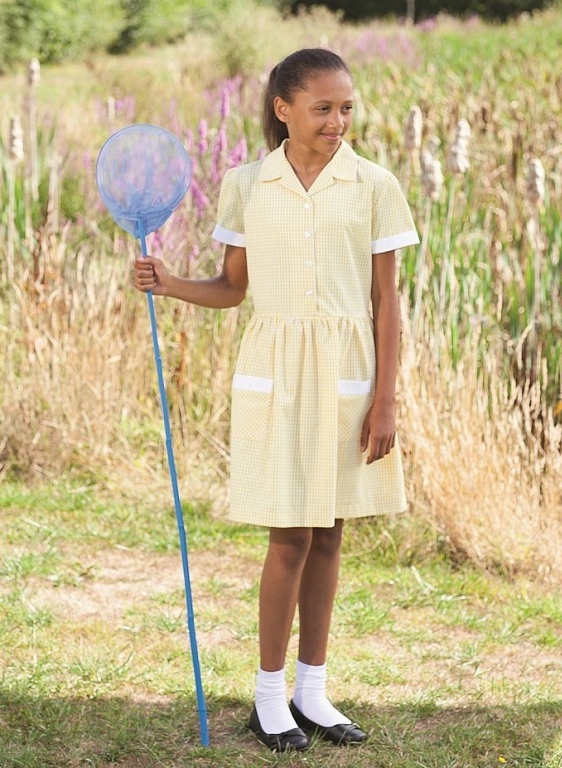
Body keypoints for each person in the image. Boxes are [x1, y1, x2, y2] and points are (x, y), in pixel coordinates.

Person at [133, 48, 419, 753]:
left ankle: (312, 692)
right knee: (289, 534)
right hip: (276, 373)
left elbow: (387, 302)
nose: (338, 120)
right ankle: (268, 698)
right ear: (282, 108)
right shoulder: (246, 185)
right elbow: (233, 289)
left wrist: (386, 399)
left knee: (329, 533)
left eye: (346, 107)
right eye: (322, 107)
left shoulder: (375, 184)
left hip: (349, 374)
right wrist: (169, 283)